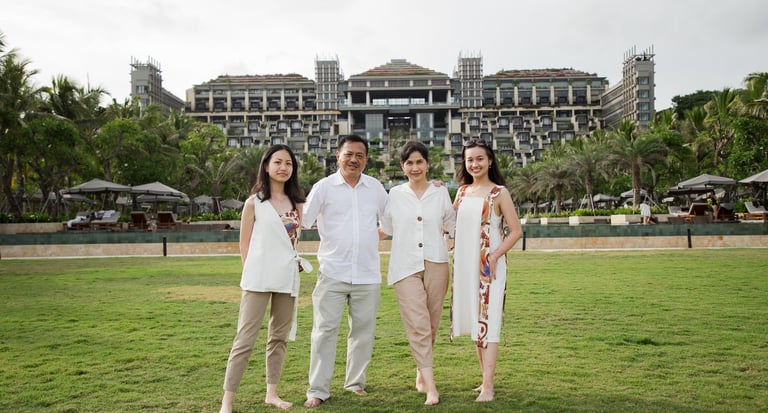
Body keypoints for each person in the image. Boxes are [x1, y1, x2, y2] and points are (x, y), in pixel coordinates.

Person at [219, 144, 308, 412]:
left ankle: (272, 393)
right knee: (245, 339)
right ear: (266, 165)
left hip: (287, 278)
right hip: (258, 278)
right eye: (278, 162)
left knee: (278, 338)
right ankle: (227, 401)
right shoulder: (253, 203)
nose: (283, 168)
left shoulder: (297, 203)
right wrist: (251, 273)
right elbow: (244, 245)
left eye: (289, 164)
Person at [302, 135, 389, 408]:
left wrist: (372, 236)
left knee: (363, 332)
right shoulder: (323, 187)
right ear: (338, 155)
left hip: (367, 274)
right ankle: (318, 390)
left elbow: (393, 220)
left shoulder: (375, 187)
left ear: (366, 159)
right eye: (349, 154)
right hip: (332, 271)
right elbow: (303, 220)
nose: (354, 159)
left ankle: (355, 383)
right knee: (323, 332)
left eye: (360, 155)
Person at [380, 141, 456, 406]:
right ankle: (431, 387)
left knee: (432, 324)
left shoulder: (440, 193)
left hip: (436, 262)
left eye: (419, 162)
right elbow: (387, 227)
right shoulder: (394, 195)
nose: (415, 167)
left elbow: (451, 223)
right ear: (402, 167)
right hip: (405, 267)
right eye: (409, 163)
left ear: (427, 164)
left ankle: (421, 372)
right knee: (418, 325)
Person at [451, 139, 523, 403]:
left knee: (489, 322)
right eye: (470, 159)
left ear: (490, 160)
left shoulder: (499, 193)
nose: (475, 164)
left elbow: (516, 231)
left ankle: (489, 386)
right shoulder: (461, 192)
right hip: (464, 266)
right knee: (475, 321)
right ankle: (483, 380)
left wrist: (494, 255)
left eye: (480, 158)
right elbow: (449, 223)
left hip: (488, 267)